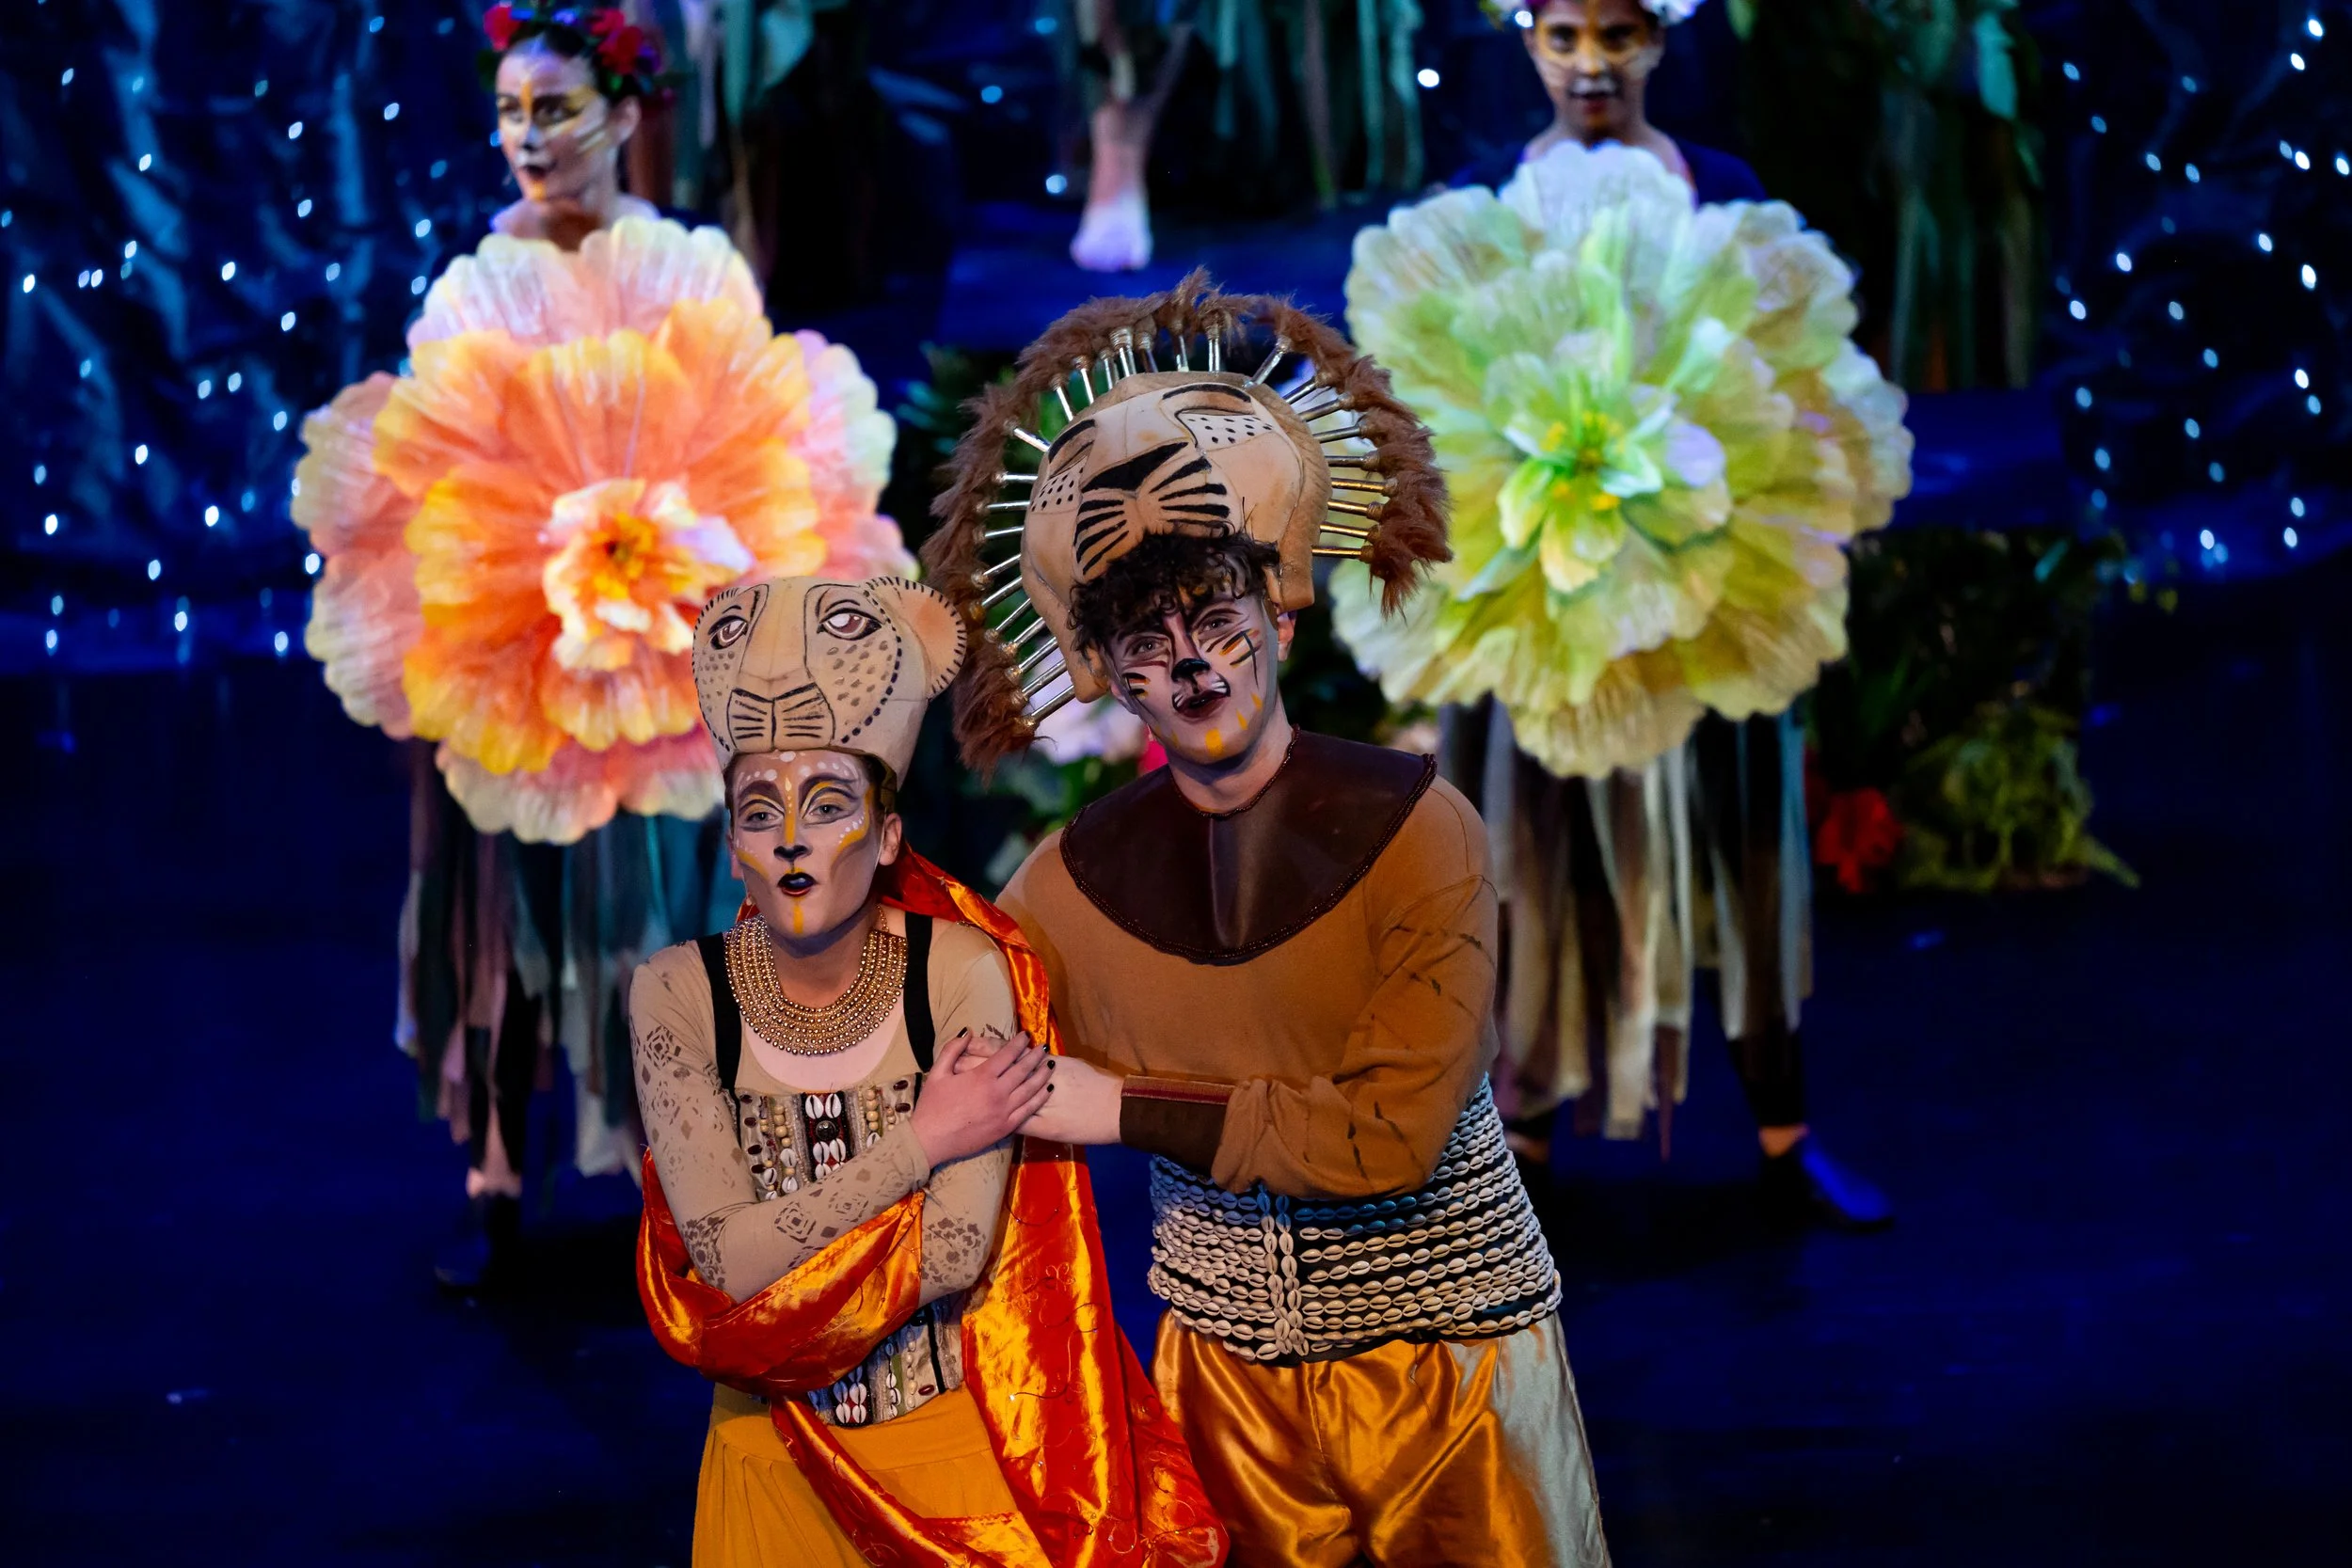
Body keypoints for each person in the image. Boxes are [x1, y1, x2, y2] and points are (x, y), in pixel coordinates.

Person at [923, 277, 1611, 1567]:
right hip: (1224, 1383)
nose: (1193, 663)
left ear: (1280, 615)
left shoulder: (1420, 829)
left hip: (1450, 1360)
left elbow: (1388, 1137)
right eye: (1146, 637)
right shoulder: (1062, 889)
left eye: (1218, 617)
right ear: (1104, 670)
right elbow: (960, 1063)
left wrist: (1120, 1104)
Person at [294, 3, 906, 1293]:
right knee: (499, 911)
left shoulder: (686, 264)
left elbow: (756, 422)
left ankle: (669, 1177)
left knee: (658, 917)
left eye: (556, 110)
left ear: (626, 117)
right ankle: (498, 1171)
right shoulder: (477, 276)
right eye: (513, 111)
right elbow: (431, 449)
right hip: (516, 642)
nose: (529, 137)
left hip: (661, 641)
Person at [629, 575, 1224, 1567]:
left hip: (948, 1456)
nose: (790, 837)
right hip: (766, 1457)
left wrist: (786, 1252)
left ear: (889, 830)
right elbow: (725, 1267)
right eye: (758, 809)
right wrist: (927, 1137)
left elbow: (954, 1250)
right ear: (731, 845)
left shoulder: (962, 970)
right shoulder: (677, 994)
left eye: (827, 802)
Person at [1440, 0, 1893, 1227]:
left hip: (1701, 580)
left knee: (1741, 852)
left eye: (1622, 34)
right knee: (1536, 860)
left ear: (1662, 40)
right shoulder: (1486, 192)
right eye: (1568, 36)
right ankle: (1520, 1150)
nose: (1594, 63)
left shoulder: (1725, 186)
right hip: (1548, 591)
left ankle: (1785, 1136)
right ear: (1528, 42)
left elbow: (1790, 366)